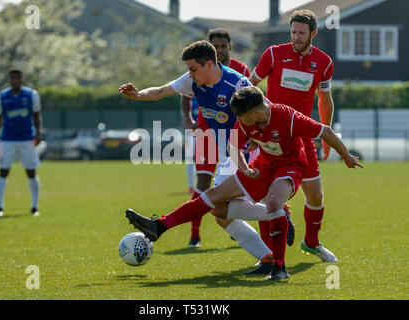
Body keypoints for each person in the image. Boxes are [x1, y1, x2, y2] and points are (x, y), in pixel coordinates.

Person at [125, 86, 363, 280]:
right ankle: (160, 227)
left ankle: (279, 267)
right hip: (262, 165)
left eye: (241, 116)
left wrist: (347, 157)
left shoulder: (288, 118)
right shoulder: (247, 121)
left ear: (257, 112)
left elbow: (326, 131)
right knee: (215, 201)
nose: (238, 120)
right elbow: (234, 147)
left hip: (290, 166)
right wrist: (244, 167)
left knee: (273, 201)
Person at [119, 40, 275, 270]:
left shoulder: (237, 85)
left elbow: (269, 112)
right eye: (188, 70)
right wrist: (138, 95)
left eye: (193, 69)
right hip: (229, 154)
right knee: (219, 212)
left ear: (209, 65)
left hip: (249, 153)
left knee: (212, 198)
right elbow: (162, 90)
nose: (189, 75)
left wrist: (257, 136)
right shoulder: (194, 81)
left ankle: (160, 225)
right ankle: (269, 252)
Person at [249, 9, 338, 262]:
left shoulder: (324, 63)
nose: (297, 37)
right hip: (271, 137)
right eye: (294, 32)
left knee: (315, 195)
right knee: (268, 196)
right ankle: (268, 256)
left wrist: (326, 134)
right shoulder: (274, 54)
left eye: (302, 33)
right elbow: (249, 85)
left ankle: (312, 243)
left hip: (302, 137)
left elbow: (325, 100)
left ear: (313, 34)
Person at [180, 28, 255, 248]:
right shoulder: (200, 70)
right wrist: (189, 120)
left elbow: (252, 102)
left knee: (242, 182)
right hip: (206, 132)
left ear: (229, 47)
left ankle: (240, 225)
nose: (221, 50)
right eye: (217, 46)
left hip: (235, 139)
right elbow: (185, 96)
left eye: (224, 46)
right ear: (211, 48)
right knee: (203, 183)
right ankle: (195, 235)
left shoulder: (241, 71)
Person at [0, 69, 43, 217]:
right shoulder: (1, 97)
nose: (15, 81)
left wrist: (39, 133)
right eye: (12, 78)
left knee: (31, 172)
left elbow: (37, 116)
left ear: (22, 79)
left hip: (27, 138)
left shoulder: (32, 95)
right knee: (3, 171)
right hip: (8, 139)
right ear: (9, 80)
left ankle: (34, 207)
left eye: (18, 78)